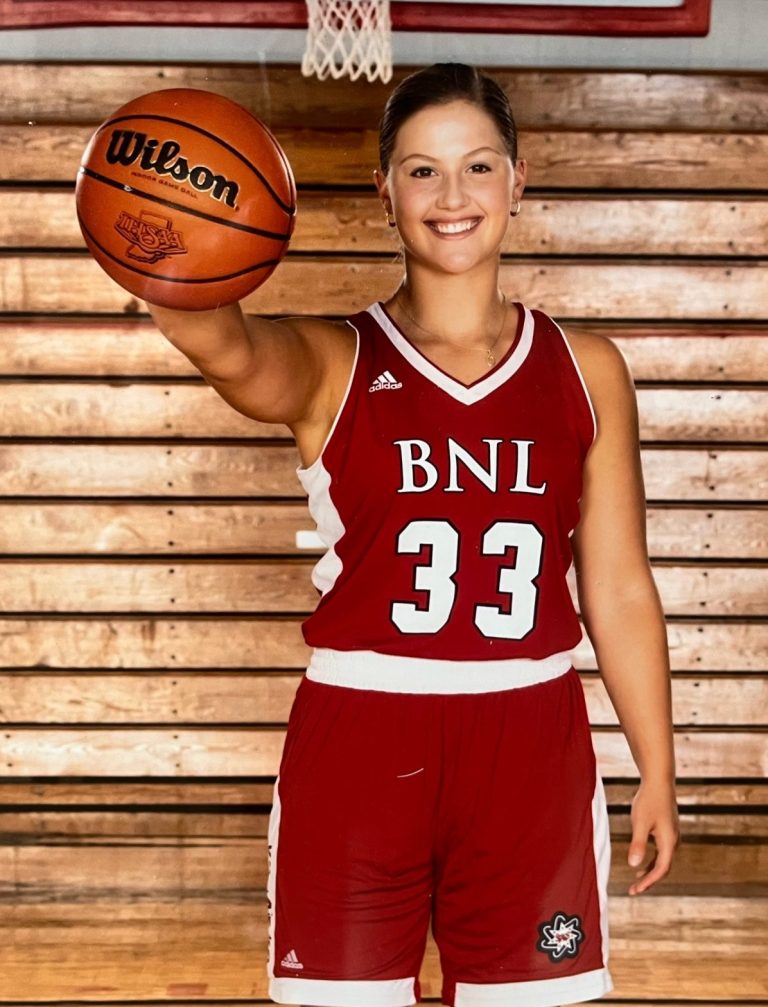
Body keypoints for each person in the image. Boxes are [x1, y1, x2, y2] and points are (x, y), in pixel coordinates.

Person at [146, 63, 680, 1007]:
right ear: (383, 192)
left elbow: (619, 585)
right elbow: (225, 345)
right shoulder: (333, 361)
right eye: (422, 170)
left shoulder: (587, 369)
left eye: (478, 166)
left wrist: (659, 769)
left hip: (530, 737)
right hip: (362, 731)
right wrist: (162, 237)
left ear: (517, 181)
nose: (452, 195)